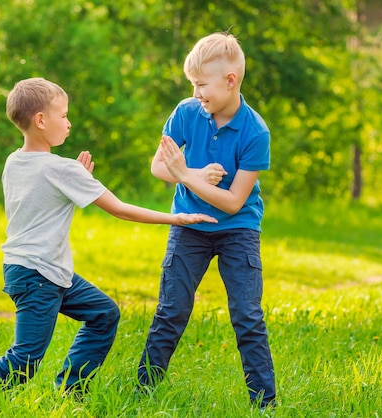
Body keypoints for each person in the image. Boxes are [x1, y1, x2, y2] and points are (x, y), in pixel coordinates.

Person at [0, 77, 216, 406]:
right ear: (41, 120)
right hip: (39, 276)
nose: (69, 123)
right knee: (22, 364)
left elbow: (44, 195)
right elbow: (120, 209)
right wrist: (176, 218)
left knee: (104, 314)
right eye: (63, 115)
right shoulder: (61, 170)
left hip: (32, 270)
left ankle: (71, 392)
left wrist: (76, 178)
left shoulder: (15, 161)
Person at [136, 32, 276, 409]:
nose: (196, 93)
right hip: (188, 225)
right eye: (193, 85)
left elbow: (232, 202)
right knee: (172, 309)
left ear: (230, 81)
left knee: (247, 316)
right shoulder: (186, 112)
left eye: (201, 85)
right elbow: (157, 166)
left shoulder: (255, 132)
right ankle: (143, 391)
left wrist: (185, 175)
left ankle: (265, 403)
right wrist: (191, 175)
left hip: (238, 230)